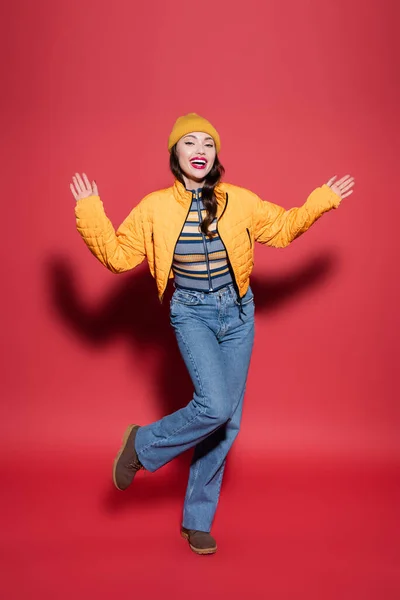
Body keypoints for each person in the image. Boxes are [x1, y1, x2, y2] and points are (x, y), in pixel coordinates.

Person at [70, 112, 355, 555]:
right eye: (190, 143)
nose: (200, 150)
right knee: (216, 405)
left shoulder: (238, 200)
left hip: (239, 313)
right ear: (175, 154)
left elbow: (280, 229)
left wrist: (320, 200)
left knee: (228, 423)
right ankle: (141, 444)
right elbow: (118, 255)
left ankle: (196, 521)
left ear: (216, 154)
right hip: (193, 313)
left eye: (208, 143)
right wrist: (90, 212)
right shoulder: (154, 208)